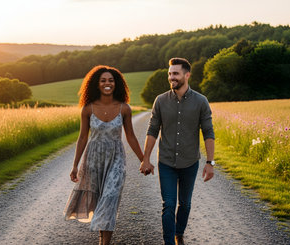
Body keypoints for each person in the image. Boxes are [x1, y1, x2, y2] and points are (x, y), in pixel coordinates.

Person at [64, 65, 144, 245]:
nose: (107, 83)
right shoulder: (88, 109)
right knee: (100, 199)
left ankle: (104, 242)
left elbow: (130, 136)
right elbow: (83, 137)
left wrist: (144, 160)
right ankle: (102, 237)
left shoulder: (124, 108)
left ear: (116, 84)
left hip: (116, 158)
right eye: (103, 80)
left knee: (110, 196)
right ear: (97, 84)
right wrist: (75, 165)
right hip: (93, 160)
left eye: (111, 80)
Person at [140, 58, 215, 245]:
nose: (171, 77)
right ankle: (169, 242)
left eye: (175, 74)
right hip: (166, 162)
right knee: (169, 205)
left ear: (187, 75)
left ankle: (179, 233)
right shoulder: (160, 100)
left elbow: (208, 132)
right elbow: (152, 131)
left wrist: (210, 163)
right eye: (169, 73)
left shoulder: (201, 101)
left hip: (190, 162)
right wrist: (146, 159)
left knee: (185, 204)